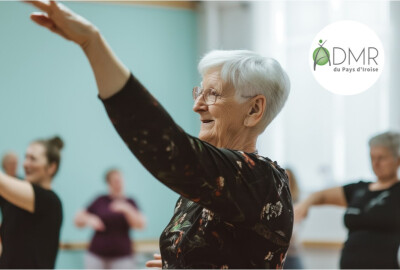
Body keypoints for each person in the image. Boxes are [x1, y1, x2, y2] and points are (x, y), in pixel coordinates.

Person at [25, 1, 293, 268]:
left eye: (213, 93)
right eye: (199, 92)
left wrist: (91, 42)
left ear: (254, 109)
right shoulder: (208, 186)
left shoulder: (262, 181)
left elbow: (169, 149)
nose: (197, 105)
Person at [295, 131, 400, 269]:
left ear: (397, 160)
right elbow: (322, 196)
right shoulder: (359, 189)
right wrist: (305, 204)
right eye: (372, 157)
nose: (376, 163)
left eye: (381, 158)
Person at [0, 136, 64, 268]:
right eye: (26, 157)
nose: (25, 164)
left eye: (33, 159)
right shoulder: (14, 202)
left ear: (51, 167)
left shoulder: (50, 201)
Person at [74, 169, 146, 269]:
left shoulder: (130, 202)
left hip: (123, 258)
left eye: (120, 180)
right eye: (114, 181)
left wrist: (126, 209)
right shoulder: (100, 200)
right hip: (96, 256)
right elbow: (77, 219)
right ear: (108, 183)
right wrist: (89, 219)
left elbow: (141, 225)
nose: (118, 183)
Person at [284, 168, 304, 269]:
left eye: (288, 178)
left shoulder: (297, 205)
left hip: (292, 253)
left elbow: (292, 230)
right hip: (280, 253)